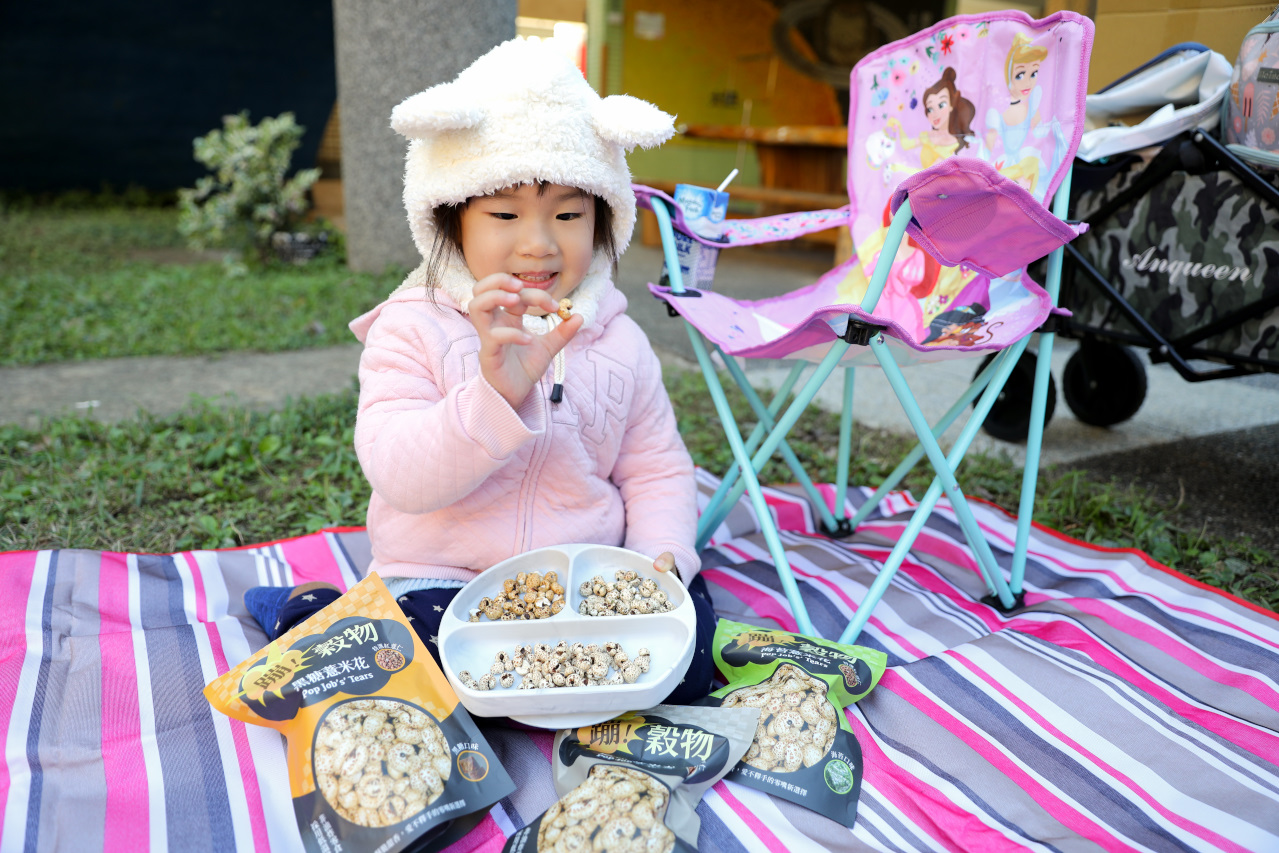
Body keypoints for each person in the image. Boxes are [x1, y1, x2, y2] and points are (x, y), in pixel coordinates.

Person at [243, 37, 716, 705]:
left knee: (690, 665)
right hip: (443, 581)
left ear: (605, 218)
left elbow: (656, 467)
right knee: (398, 666)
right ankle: (311, 612)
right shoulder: (412, 326)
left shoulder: (620, 340)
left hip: (582, 582)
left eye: (569, 214)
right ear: (448, 220)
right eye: (503, 214)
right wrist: (494, 394)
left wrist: (656, 559)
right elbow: (399, 474)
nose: (539, 242)